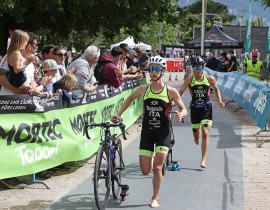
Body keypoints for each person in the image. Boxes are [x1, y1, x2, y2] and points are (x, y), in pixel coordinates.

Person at [112, 56, 188, 208]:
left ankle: (155, 197)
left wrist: (181, 114)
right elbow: (129, 99)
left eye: (157, 69)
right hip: (147, 132)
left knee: (157, 168)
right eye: (151, 69)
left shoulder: (170, 91)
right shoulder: (143, 89)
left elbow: (184, 108)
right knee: (145, 171)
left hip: (163, 133)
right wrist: (119, 114)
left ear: (163, 71)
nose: (153, 72)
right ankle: (153, 157)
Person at [179, 56, 225, 169]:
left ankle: (203, 159)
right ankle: (196, 137)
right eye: (195, 67)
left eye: (199, 67)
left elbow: (217, 89)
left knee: (205, 132)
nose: (197, 70)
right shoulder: (189, 80)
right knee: (197, 134)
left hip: (206, 108)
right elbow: (179, 93)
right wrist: (173, 104)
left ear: (202, 68)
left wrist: (220, 101)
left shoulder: (209, 79)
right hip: (195, 109)